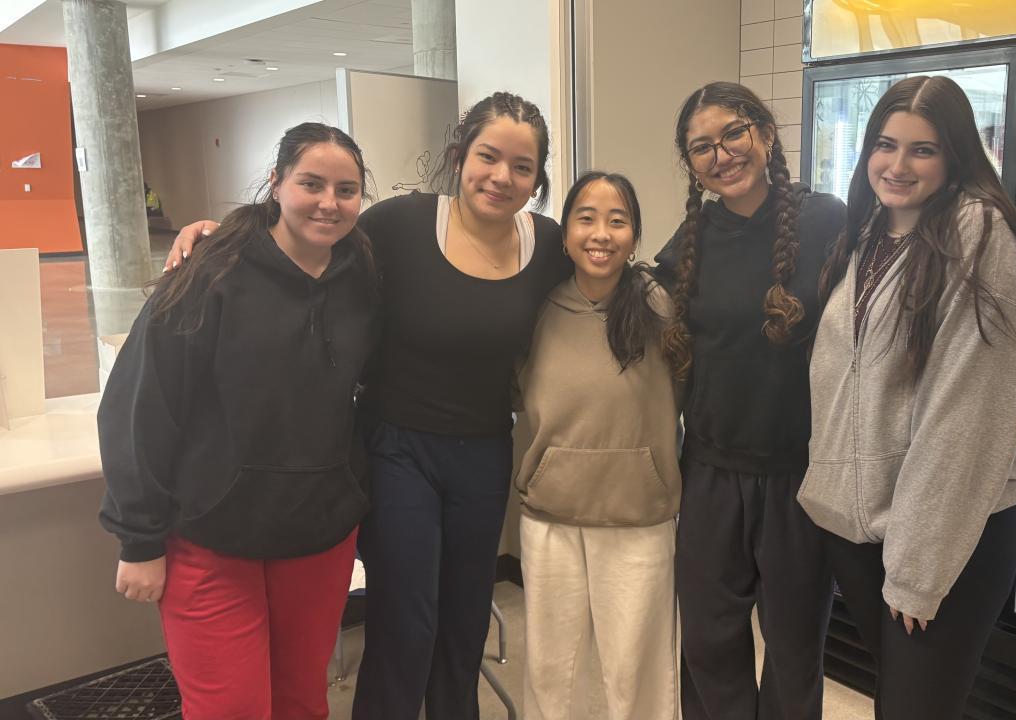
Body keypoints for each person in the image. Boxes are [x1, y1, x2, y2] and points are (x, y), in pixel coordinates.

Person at [162, 92, 572, 720]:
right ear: (459, 156)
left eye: (522, 167)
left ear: (537, 179)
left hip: (486, 450)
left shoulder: (545, 244)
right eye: (488, 157)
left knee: (465, 617)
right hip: (397, 448)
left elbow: (604, 273)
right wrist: (220, 236)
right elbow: (308, 233)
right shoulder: (399, 224)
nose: (501, 177)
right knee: (407, 618)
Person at [798, 75, 1016, 719]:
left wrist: (917, 571)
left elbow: (965, 421)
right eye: (886, 145)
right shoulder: (868, 234)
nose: (898, 165)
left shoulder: (978, 235)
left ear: (957, 156)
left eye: (923, 149)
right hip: (862, 527)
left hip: (948, 533)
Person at [99, 122, 378, 720]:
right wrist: (139, 538)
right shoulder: (209, 274)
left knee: (302, 703)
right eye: (311, 183)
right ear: (276, 182)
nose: (328, 203)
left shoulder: (364, 275)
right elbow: (139, 404)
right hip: (210, 536)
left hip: (317, 535)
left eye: (346, 189)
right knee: (230, 709)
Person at [653, 81, 845, 720]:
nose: (722, 154)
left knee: (794, 651)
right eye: (701, 147)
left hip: (800, 475)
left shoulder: (826, 221)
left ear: (764, 132)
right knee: (708, 645)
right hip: (709, 473)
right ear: (691, 164)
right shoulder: (690, 242)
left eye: (732, 133)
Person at [515, 171, 681, 720]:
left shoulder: (662, 309)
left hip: (639, 516)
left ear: (635, 236)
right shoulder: (536, 309)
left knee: (639, 673)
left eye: (618, 220)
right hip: (551, 516)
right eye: (586, 219)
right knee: (551, 671)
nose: (601, 234)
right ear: (565, 234)